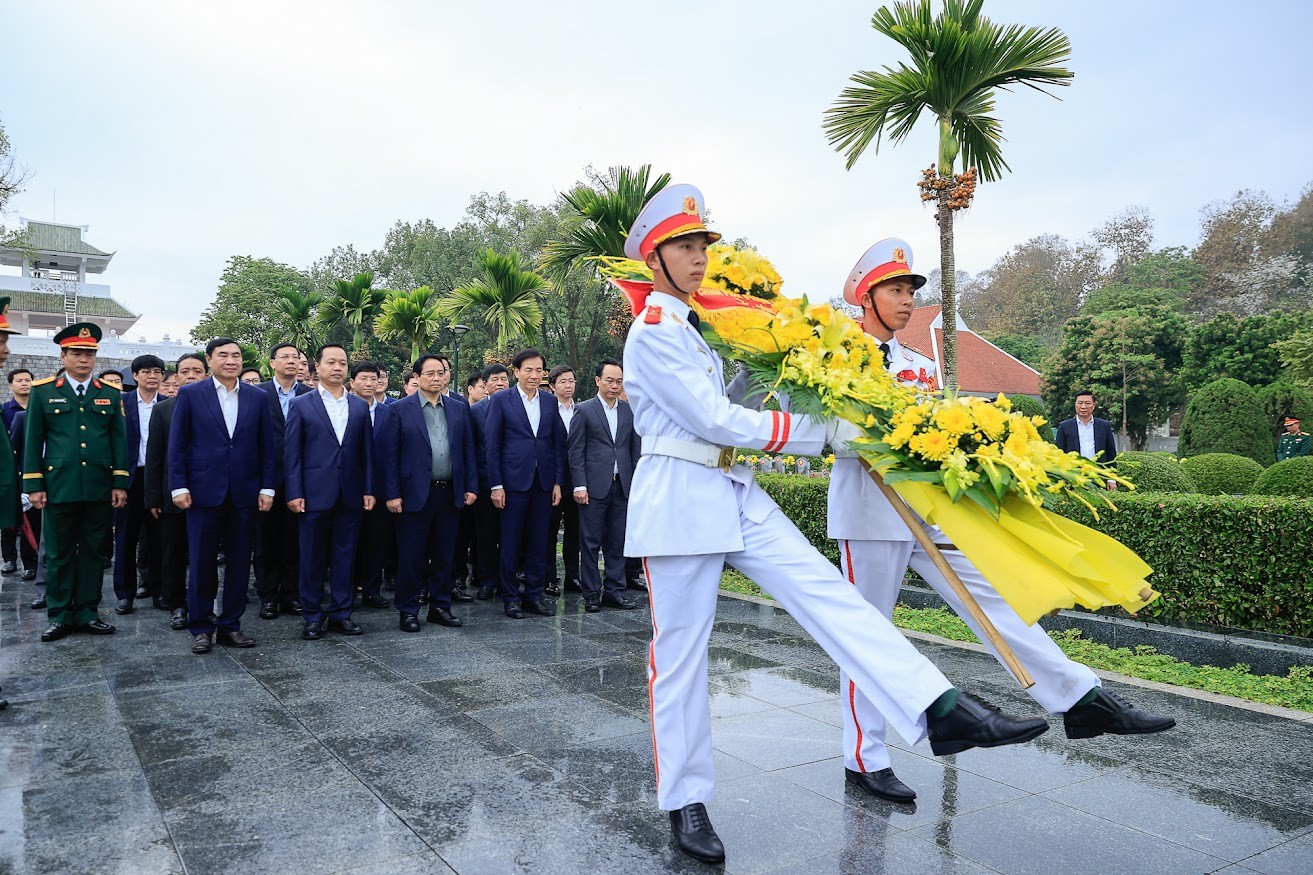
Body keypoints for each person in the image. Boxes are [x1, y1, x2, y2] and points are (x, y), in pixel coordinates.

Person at [621, 185, 1049, 865]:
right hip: (677, 496)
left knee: (834, 599)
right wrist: (820, 431)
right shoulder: (652, 334)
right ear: (654, 257)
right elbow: (713, 420)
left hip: (733, 486)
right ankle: (685, 797)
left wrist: (789, 364)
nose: (699, 257)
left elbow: (737, 402)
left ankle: (939, 709)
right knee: (678, 660)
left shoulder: (702, 329)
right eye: (683, 247)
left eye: (703, 244)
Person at [828, 239, 1175, 804]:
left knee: (994, 601)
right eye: (895, 290)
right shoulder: (836, 356)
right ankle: (865, 757)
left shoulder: (919, 366)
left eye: (912, 292)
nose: (907, 301)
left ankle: (1082, 701)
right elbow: (828, 430)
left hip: (932, 509)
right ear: (865, 296)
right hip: (870, 513)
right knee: (870, 635)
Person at [169, 337, 275, 654]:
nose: (231, 360)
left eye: (237, 355)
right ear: (210, 359)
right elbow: (178, 444)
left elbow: (267, 447)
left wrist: (267, 487)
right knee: (201, 561)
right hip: (202, 492)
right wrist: (179, 485)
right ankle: (201, 627)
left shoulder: (257, 397)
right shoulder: (190, 394)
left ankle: (231, 625)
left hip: (244, 491)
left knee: (241, 562)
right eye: (224, 355)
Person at [25, 322, 129, 642]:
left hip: (98, 486)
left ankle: (87, 611)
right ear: (64, 354)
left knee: (94, 551)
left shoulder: (109, 393)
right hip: (59, 485)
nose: (84, 359)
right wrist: (34, 484)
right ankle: (59, 614)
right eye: (77, 353)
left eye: (89, 353)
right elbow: (33, 440)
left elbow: (118, 441)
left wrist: (119, 482)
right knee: (58, 552)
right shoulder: (44, 391)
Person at [377, 354, 477, 632]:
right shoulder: (399, 409)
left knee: (445, 554)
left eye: (441, 373)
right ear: (417, 377)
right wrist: (392, 494)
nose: (436, 378)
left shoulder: (458, 409)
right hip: (413, 494)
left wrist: (470, 486)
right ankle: (408, 610)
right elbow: (390, 455)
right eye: (430, 373)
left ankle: (440, 607)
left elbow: (467, 450)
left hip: (449, 493)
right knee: (412, 555)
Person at [285, 344, 375, 639]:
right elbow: (293, 453)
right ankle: (312, 616)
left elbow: (367, 454)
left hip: (350, 493)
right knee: (311, 557)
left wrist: (369, 489)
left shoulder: (360, 405)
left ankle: (341, 613)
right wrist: (294, 491)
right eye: (331, 362)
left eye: (343, 363)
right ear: (318, 367)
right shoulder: (301, 403)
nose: (337, 367)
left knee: (345, 557)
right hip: (312, 494)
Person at [486, 349, 566, 618]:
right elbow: (492, 445)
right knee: (510, 542)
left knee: (539, 542)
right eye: (528, 370)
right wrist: (496, 484)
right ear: (516, 371)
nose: (534, 375)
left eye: (539, 370)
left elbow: (556, 445)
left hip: (543, 483)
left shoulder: (549, 401)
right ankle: (510, 597)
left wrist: (556, 482)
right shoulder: (501, 401)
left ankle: (534, 594)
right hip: (512, 484)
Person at [569, 359, 640, 612]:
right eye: (609, 380)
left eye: (619, 381)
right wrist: (579, 485)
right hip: (593, 488)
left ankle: (615, 590)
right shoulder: (584, 410)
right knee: (590, 542)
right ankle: (591, 594)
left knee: (617, 542)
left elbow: (634, 452)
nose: (614, 385)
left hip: (621, 487)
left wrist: (635, 486)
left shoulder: (628, 411)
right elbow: (576, 451)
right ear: (598, 380)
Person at [145, 352, 208, 630]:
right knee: (173, 551)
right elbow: (155, 456)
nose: (191, 375)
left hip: (209, 494)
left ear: (206, 374)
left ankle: (202, 604)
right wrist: (153, 497)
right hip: (172, 495)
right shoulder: (163, 410)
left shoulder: (215, 407)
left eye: (197, 371)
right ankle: (176, 604)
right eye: (185, 371)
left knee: (204, 555)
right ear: (176, 377)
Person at [255, 343, 311, 619]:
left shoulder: (312, 395)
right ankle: (268, 595)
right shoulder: (256, 394)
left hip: (302, 480)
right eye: (285, 357)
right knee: (265, 540)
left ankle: (291, 594)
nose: (292, 362)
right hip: (266, 479)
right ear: (272, 363)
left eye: (296, 358)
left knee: (295, 540)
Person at [112, 354, 165, 615]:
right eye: (146, 371)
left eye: (157, 371)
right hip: (128, 479)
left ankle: (158, 590)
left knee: (158, 539)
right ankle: (124, 594)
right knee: (125, 538)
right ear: (135, 376)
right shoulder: (120, 404)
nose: (152, 376)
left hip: (157, 480)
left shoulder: (169, 404)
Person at [350, 361, 394, 608]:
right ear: (352, 382)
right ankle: (347, 586)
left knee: (377, 541)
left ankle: (371, 588)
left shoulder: (389, 412)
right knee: (349, 541)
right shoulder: (344, 408)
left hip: (380, 488)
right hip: (350, 487)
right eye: (363, 378)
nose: (369, 383)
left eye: (374, 379)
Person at [469, 363, 510, 600]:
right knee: (485, 535)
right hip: (485, 484)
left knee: (510, 535)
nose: (500, 383)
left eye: (504, 378)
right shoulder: (475, 411)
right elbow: (472, 450)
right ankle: (487, 580)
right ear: (484, 385)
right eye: (494, 379)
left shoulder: (517, 407)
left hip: (514, 482)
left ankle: (507, 579)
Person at [544, 364, 581, 597]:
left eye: (571, 381)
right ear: (552, 386)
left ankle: (573, 576)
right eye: (563, 382)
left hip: (577, 481)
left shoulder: (583, 410)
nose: (568, 386)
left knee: (574, 532)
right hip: (553, 482)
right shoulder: (547, 411)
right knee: (549, 532)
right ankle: (549, 578)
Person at [1, 367, 33, 576]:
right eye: (19, 380)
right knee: (9, 518)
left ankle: (30, 562)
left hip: (31, 469)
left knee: (30, 520)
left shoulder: (37, 408)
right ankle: (9, 559)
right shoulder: (4, 410)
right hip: (11, 469)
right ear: (11, 385)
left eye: (28, 380)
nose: (24, 383)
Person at [1055, 391, 1119, 485]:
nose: (1083, 407)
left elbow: (1111, 453)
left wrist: (1112, 479)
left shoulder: (1104, 426)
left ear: (1093, 405)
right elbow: (1059, 453)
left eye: (1087, 403)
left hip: (1098, 475)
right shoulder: (1064, 426)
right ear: (1075, 405)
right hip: (1073, 476)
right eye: (1080, 403)